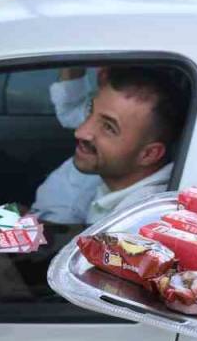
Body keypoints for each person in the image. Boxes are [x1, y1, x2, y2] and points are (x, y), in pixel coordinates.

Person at [31, 66, 188, 224]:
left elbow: (65, 244)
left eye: (108, 127)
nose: (80, 132)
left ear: (148, 154)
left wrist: (9, 223)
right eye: (90, 111)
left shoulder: (135, 220)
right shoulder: (118, 186)